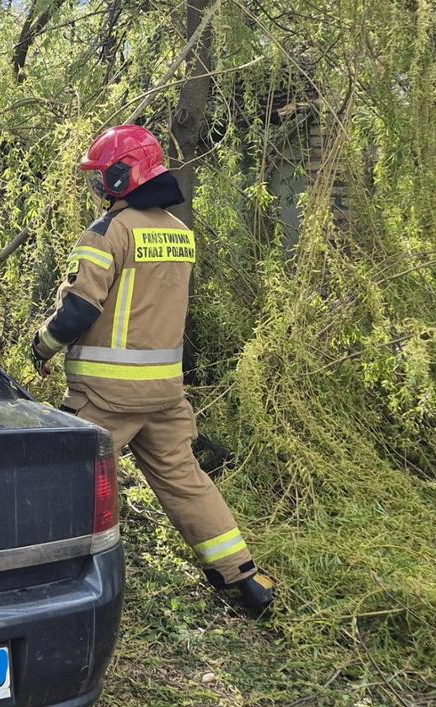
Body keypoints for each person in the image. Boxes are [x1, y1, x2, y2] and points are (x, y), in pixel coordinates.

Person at [31, 124, 275, 617]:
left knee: (62, 478)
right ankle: (244, 579)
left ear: (124, 177)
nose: (97, 190)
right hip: (164, 393)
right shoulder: (179, 233)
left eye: (101, 179)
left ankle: (46, 582)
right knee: (185, 480)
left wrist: (42, 346)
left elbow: (79, 312)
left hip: (106, 397)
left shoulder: (107, 233)